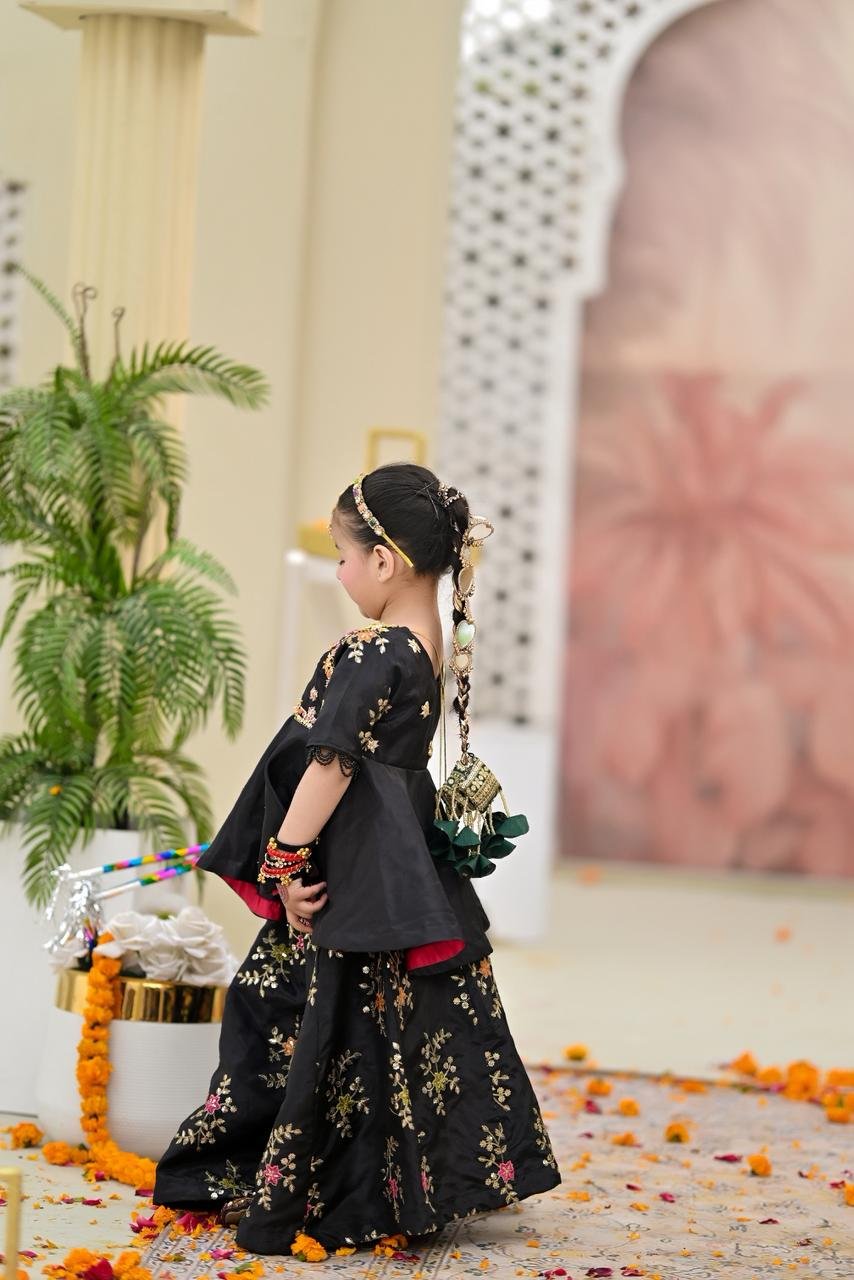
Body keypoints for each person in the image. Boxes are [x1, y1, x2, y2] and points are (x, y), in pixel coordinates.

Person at [153, 462, 561, 1255]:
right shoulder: (428, 645)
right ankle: (385, 1179)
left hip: (347, 876)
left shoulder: (377, 650)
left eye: (343, 556)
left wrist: (281, 862)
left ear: (383, 560)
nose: (340, 573)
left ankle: (300, 1176)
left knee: (285, 1015)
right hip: (387, 870)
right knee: (383, 1027)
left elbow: (333, 762)